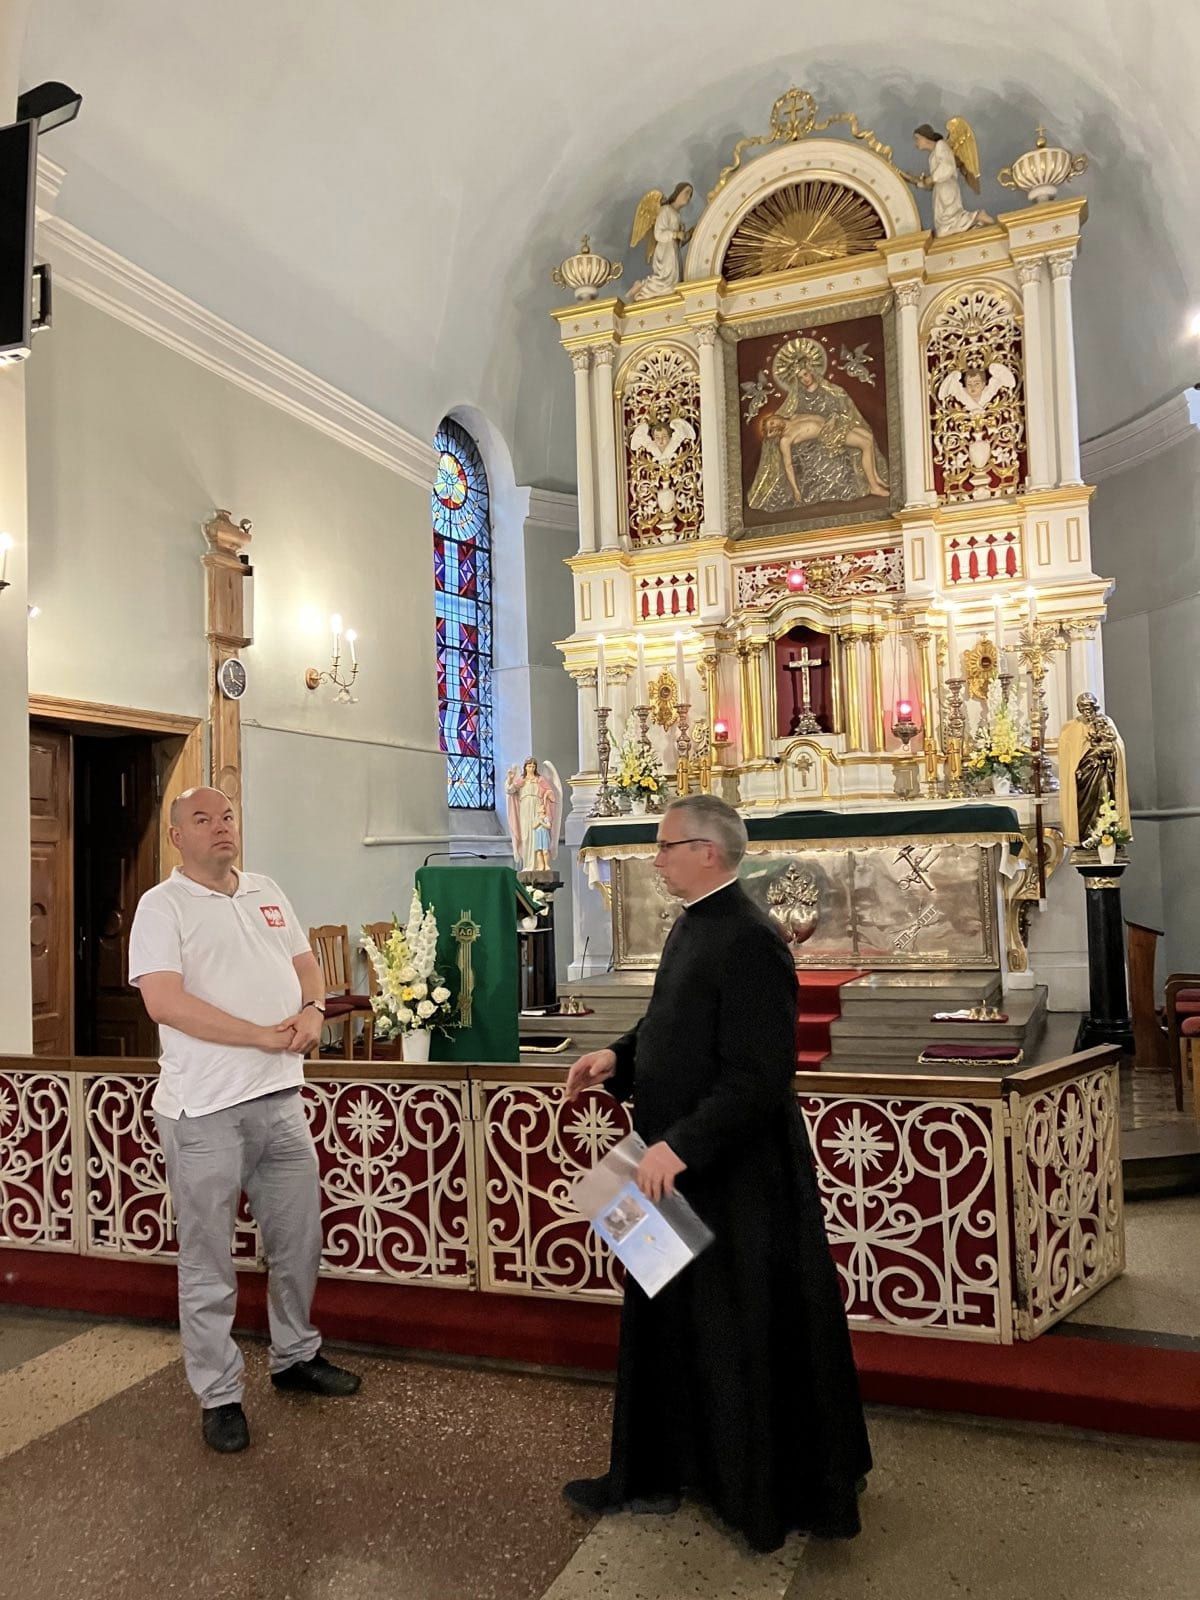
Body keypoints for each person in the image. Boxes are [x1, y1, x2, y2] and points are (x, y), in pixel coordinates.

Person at [561, 795, 871, 1551]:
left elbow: (760, 1075)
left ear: (708, 850)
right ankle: (657, 1469)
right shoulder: (693, 922)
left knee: (733, 1329)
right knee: (661, 1316)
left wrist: (682, 1147)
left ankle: (748, 1488)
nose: (655, 859)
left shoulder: (753, 939)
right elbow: (672, 1022)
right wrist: (617, 1057)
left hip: (729, 1175)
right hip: (664, 1158)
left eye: (665, 846)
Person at [128, 787, 360, 1454]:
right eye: (202, 819)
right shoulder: (161, 906)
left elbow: (307, 965)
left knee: (298, 1241)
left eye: (227, 816)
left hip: (280, 1099)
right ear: (178, 836)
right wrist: (258, 1035)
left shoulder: (265, 890)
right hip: (204, 1110)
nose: (220, 827)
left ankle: (295, 1355)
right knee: (208, 1259)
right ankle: (219, 1393)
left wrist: (312, 1010)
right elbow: (165, 1003)